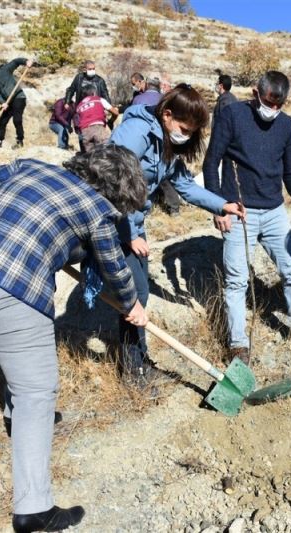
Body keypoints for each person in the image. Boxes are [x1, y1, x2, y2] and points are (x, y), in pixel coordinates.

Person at [0, 144, 149, 532]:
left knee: (25, 365)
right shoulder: (96, 209)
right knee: (38, 391)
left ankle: (20, 423)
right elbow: (115, 271)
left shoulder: (30, 168)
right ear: (116, 193)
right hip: (4, 290)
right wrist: (132, 305)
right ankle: (34, 510)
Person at [109, 84, 245, 379]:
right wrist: (129, 233)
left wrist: (223, 206)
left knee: (138, 292)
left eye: (192, 131)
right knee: (137, 293)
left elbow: (184, 186)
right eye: (184, 127)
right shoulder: (137, 132)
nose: (186, 135)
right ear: (166, 114)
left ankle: (137, 360)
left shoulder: (165, 144)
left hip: (133, 225)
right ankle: (133, 370)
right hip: (113, 223)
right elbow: (112, 181)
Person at [202, 70, 291, 363]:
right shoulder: (232, 115)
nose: (273, 111)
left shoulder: (287, 125)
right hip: (240, 212)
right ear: (256, 93)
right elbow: (212, 160)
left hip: (275, 211)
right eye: (269, 103)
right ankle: (238, 344)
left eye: (279, 105)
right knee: (238, 280)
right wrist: (218, 206)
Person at [0, 57, 32, 148]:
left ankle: (19, 141)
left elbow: (16, 61)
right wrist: (3, 103)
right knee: (2, 121)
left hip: (18, 97)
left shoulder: (4, 70)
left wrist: (26, 62)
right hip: (7, 102)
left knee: (17, 120)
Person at [74, 86, 118, 153]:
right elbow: (115, 113)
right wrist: (111, 121)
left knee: (91, 156)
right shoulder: (98, 99)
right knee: (107, 152)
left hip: (85, 132)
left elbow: (76, 122)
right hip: (98, 129)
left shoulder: (79, 106)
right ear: (94, 93)